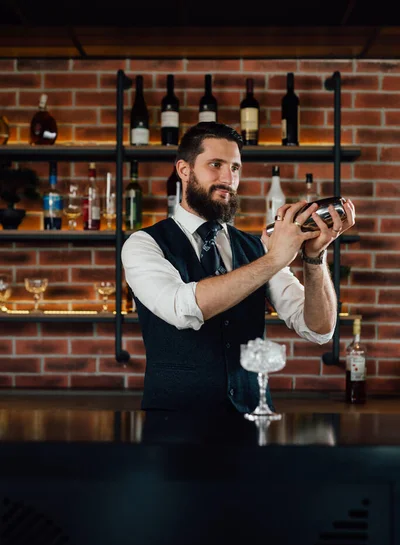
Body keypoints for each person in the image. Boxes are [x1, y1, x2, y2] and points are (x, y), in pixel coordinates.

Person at [121, 122, 355, 414]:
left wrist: (313, 258)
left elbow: (318, 330)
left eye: (235, 168)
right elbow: (182, 309)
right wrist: (275, 258)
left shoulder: (257, 248)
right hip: (173, 423)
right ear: (184, 170)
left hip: (252, 417)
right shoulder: (143, 244)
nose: (227, 178)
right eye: (215, 165)